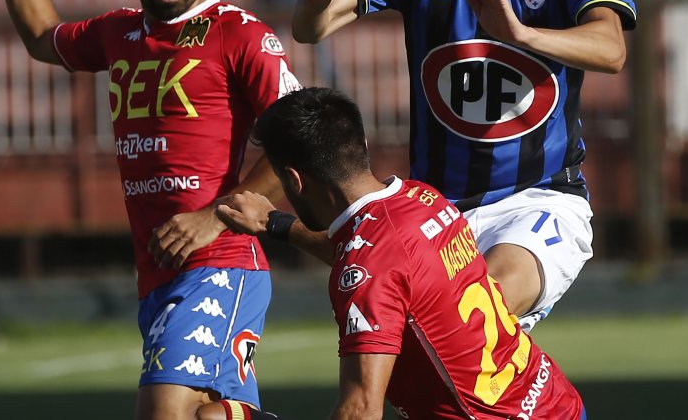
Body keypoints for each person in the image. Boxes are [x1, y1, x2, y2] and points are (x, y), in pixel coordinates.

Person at [285, 0, 637, 331]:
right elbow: (312, 29)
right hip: (436, 209)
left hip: (537, 199)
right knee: (427, 361)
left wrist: (520, 34)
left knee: (479, 311)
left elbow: (612, 48)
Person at [0, 0, 298, 420]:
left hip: (222, 262)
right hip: (157, 272)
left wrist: (216, 216)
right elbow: (41, 37)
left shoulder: (239, 33)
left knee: (162, 410)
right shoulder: (118, 32)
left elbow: (301, 142)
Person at [217, 87, 586, 420]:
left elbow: (361, 409)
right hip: (554, 401)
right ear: (359, 143)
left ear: (295, 181)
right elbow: (380, 265)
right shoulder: (423, 198)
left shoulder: (366, 269)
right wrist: (276, 223)